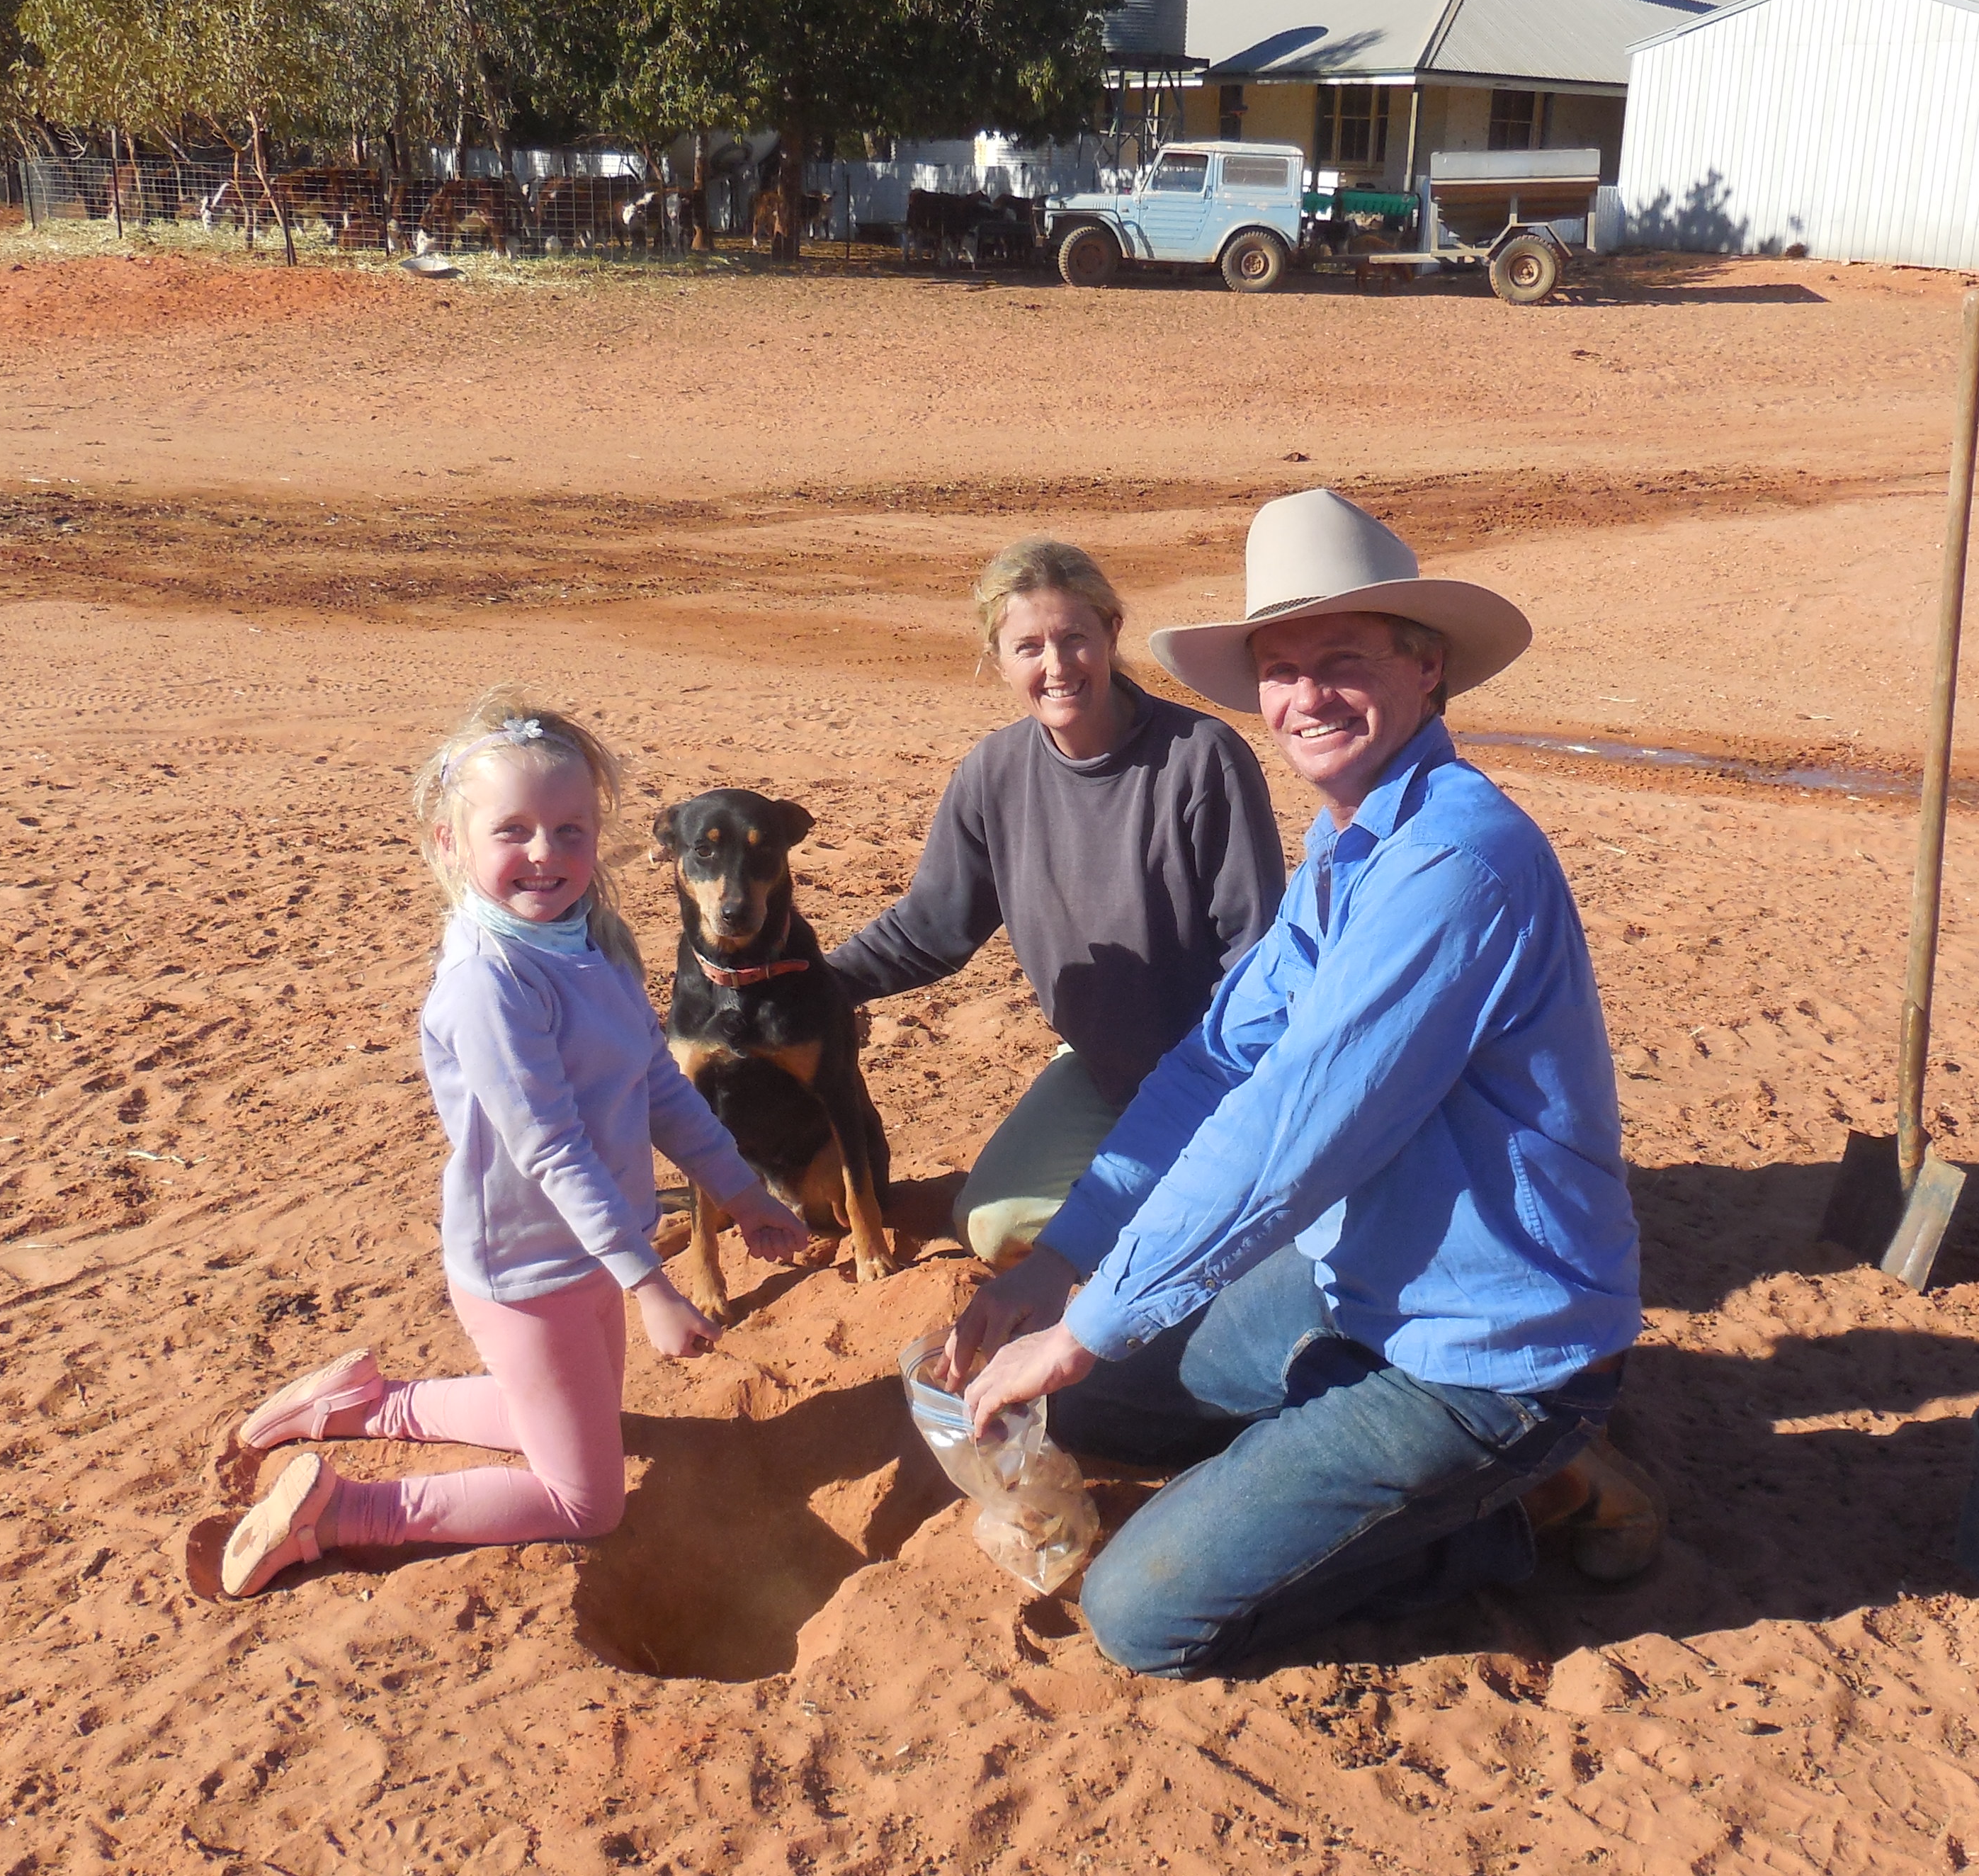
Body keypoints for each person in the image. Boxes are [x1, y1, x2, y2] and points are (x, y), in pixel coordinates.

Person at [948, 490, 1662, 1677]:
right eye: (1280, 669)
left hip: (1483, 1354)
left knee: (1141, 1616)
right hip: (1357, 1289)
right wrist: (1067, 1262)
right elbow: (1216, 1064)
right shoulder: (1351, 839)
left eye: (1342, 661)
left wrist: (1078, 1330)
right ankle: (1334, 1464)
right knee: (1083, 1409)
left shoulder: (1453, 865)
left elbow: (1287, 1137)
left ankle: (1503, 1516)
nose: (1305, 697)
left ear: (1424, 668)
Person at [218, 693, 810, 1599]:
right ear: (452, 844)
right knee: (586, 1502)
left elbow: (656, 1083)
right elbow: (551, 1149)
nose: (546, 854)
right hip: (527, 1265)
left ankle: (371, 1403)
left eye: (571, 830)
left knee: (575, 1413)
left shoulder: (592, 943)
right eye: (514, 831)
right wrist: (648, 1284)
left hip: (589, 1249)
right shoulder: (491, 985)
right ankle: (340, 1515)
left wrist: (742, 1192)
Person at [825, 538, 1283, 1267]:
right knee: (994, 1224)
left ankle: (1211, 1236)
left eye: (1075, 638)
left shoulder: (1201, 756)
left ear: (1111, 634)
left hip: (1213, 1074)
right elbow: (931, 929)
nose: (1058, 666)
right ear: (997, 658)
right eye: (1029, 646)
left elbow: (1253, 954)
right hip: (1101, 1067)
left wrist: (1218, 1108)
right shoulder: (994, 774)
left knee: (1143, 1218)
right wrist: (802, 983)